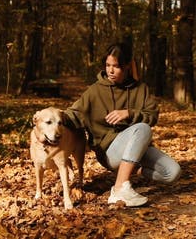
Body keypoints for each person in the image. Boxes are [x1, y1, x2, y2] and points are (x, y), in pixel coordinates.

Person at [64, 42, 181, 207]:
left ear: (127, 66)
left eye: (116, 66)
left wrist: (129, 113)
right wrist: (54, 120)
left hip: (136, 147)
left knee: (172, 173)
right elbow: (73, 113)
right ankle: (119, 188)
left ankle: (129, 169)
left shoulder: (141, 89)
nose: (110, 71)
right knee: (143, 128)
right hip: (109, 152)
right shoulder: (95, 91)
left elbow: (152, 116)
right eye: (107, 65)